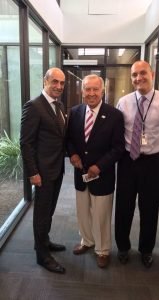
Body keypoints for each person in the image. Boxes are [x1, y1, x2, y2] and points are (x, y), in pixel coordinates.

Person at [115, 60, 159, 268]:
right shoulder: (123, 102)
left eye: (142, 73)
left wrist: (153, 148)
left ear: (152, 74)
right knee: (124, 206)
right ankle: (123, 247)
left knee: (149, 208)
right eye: (134, 75)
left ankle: (146, 249)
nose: (138, 78)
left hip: (152, 162)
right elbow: (118, 131)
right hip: (127, 161)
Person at [67, 74, 125, 268]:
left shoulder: (115, 115)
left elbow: (118, 148)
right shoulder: (74, 112)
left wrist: (99, 166)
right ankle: (87, 241)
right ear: (82, 91)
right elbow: (69, 140)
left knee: (101, 214)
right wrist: (73, 154)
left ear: (102, 91)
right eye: (87, 89)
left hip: (103, 174)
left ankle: (102, 249)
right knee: (83, 211)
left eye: (95, 89)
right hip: (80, 173)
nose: (91, 93)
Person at [20, 67, 67, 274]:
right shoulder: (34, 106)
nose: (58, 86)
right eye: (54, 82)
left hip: (56, 170)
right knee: (41, 213)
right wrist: (33, 173)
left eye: (62, 83)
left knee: (49, 210)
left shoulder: (59, 105)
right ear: (45, 82)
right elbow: (26, 143)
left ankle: (45, 241)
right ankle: (41, 255)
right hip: (42, 173)